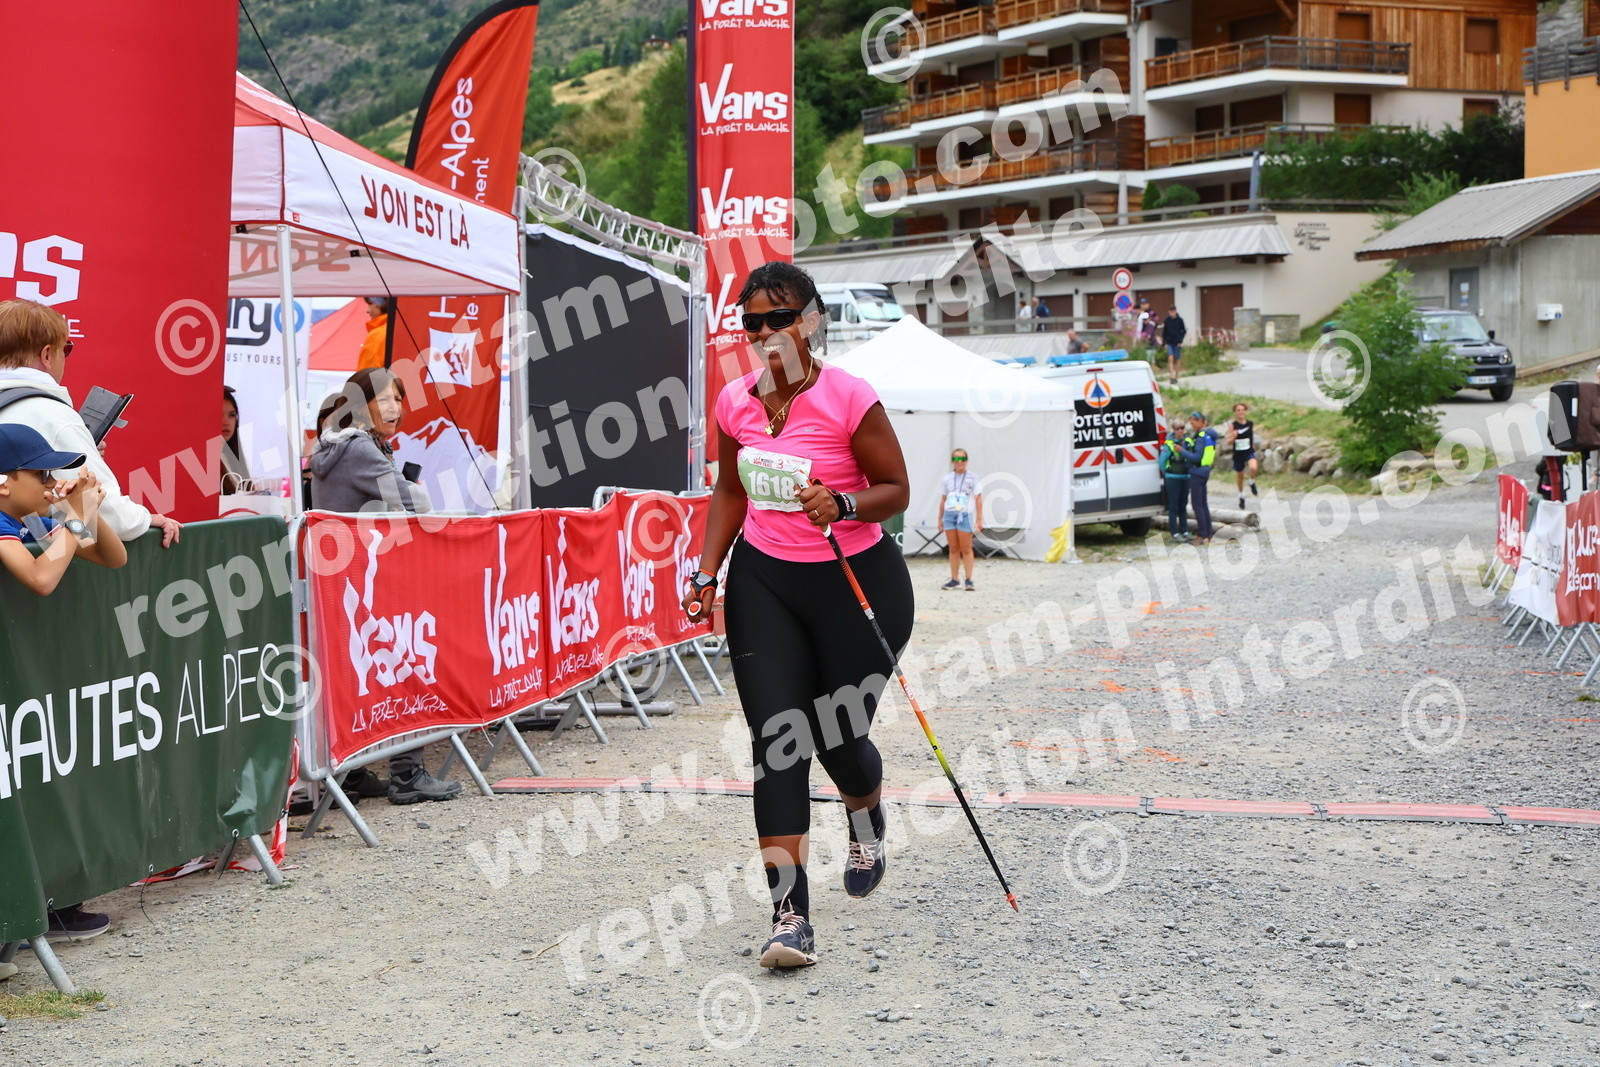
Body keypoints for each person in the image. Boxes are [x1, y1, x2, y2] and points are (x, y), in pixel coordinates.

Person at [681, 261, 912, 969]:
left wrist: (843, 502)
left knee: (838, 737)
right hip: (765, 582)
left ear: (810, 320)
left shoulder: (848, 397)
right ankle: (790, 917)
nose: (764, 333)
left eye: (778, 318)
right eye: (751, 322)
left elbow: (895, 488)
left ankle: (865, 814)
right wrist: (705, 571)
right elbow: (730, 492)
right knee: (779, 742)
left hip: (856, 580)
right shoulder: (736, 402)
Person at [0, 424, 127, 943]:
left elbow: (112, 557)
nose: (52, 481)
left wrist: (85, 508)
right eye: (41, 473)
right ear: (4, 482)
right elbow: (41, 579)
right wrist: (72, 520)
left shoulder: (27, 518)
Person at [311, 368, 452, 804]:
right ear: (361, 405)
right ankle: (407, 775)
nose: (395, 408)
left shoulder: (342, 446)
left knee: (358, 675)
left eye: (399, 398)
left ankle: (350, 773)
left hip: (346, 581)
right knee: (406, 662)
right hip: (366, 581)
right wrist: (415, 488)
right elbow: (416, 501)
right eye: (385, 399)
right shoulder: (359, 448)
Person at [0, 299, 180, 547]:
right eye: (66, 349)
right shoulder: (54, 417)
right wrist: (143, 519)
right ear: (47, 354)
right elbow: (112, 519)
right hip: (32, 562)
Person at [938, 449, 982, 590]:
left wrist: (979, 519)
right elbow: (943, 499)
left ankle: (969, 579)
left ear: (966, 460)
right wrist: (940, 519)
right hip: (950, 514)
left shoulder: (973, 478)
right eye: (957, 459)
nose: (960, 462)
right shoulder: (947, 478)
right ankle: (954, 579)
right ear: (952, 461)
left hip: (965, 514)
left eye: (962, 459)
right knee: (953, 548)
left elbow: (978, 498)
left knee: (966, 548)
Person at [1179, 411, 1217, 545]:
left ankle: (1203, 534)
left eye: (1193, 422)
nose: (1192, 425)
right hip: (1204, 470)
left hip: (1197, 471)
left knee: (1197, 505)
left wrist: (1182, 451)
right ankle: (1208, 533)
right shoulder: (1209, 435)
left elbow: (1196, 457)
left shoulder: (1201, 437)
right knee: (1203, 503)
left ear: (1201, 422)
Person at [1158, 419, 1191, 541]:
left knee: (1183, 505)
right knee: (1173, 506)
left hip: (1185, 477)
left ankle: (1185, 530)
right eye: (1178, 429)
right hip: (1172, 478)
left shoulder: (1188, 442)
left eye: (1182, 428)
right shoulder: (1169, 444)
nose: (1181, 431)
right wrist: (1167, 472)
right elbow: (1162, 461)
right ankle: (1174, 533)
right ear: (1174, 430)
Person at [1224, 401, 1259, 508]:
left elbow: (1250, 437)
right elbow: (1229, 442)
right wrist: (1234, 437)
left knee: (1253, 467)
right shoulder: (1233, 426)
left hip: (1248, 451)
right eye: (1238, 410)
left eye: (1243, 410)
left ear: (1245, 411)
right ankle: (1241, 495)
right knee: (1240, 476)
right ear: (1235, 412)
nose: (1241, 412)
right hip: (1238, 453)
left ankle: (1251, 481)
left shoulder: (1250, 423)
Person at [220, 385, 252, 493]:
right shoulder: (196, 463)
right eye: (218, 414)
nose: (226, 422)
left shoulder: (232, 458)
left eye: (232, 415)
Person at [355, 297, 393, 371]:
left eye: (370, 303)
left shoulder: (377, 334)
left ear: (382, 304)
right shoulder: (395, 329)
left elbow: (369, 372)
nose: (367, 310)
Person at [1162, 305, 1187, 385]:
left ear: (1175, 311)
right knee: (1170, 358)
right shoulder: (1167, 320)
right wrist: (1164, 343)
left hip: (1177, 343)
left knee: (1177, 359)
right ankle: (1172, 376)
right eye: (1170, 311)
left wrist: (1180, 340)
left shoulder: (1180, 320)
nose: (1171, 313)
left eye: (1173, 311)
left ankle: (1176, 376)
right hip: (1169, 342)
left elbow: (1183, 331)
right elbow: (1164, 332)